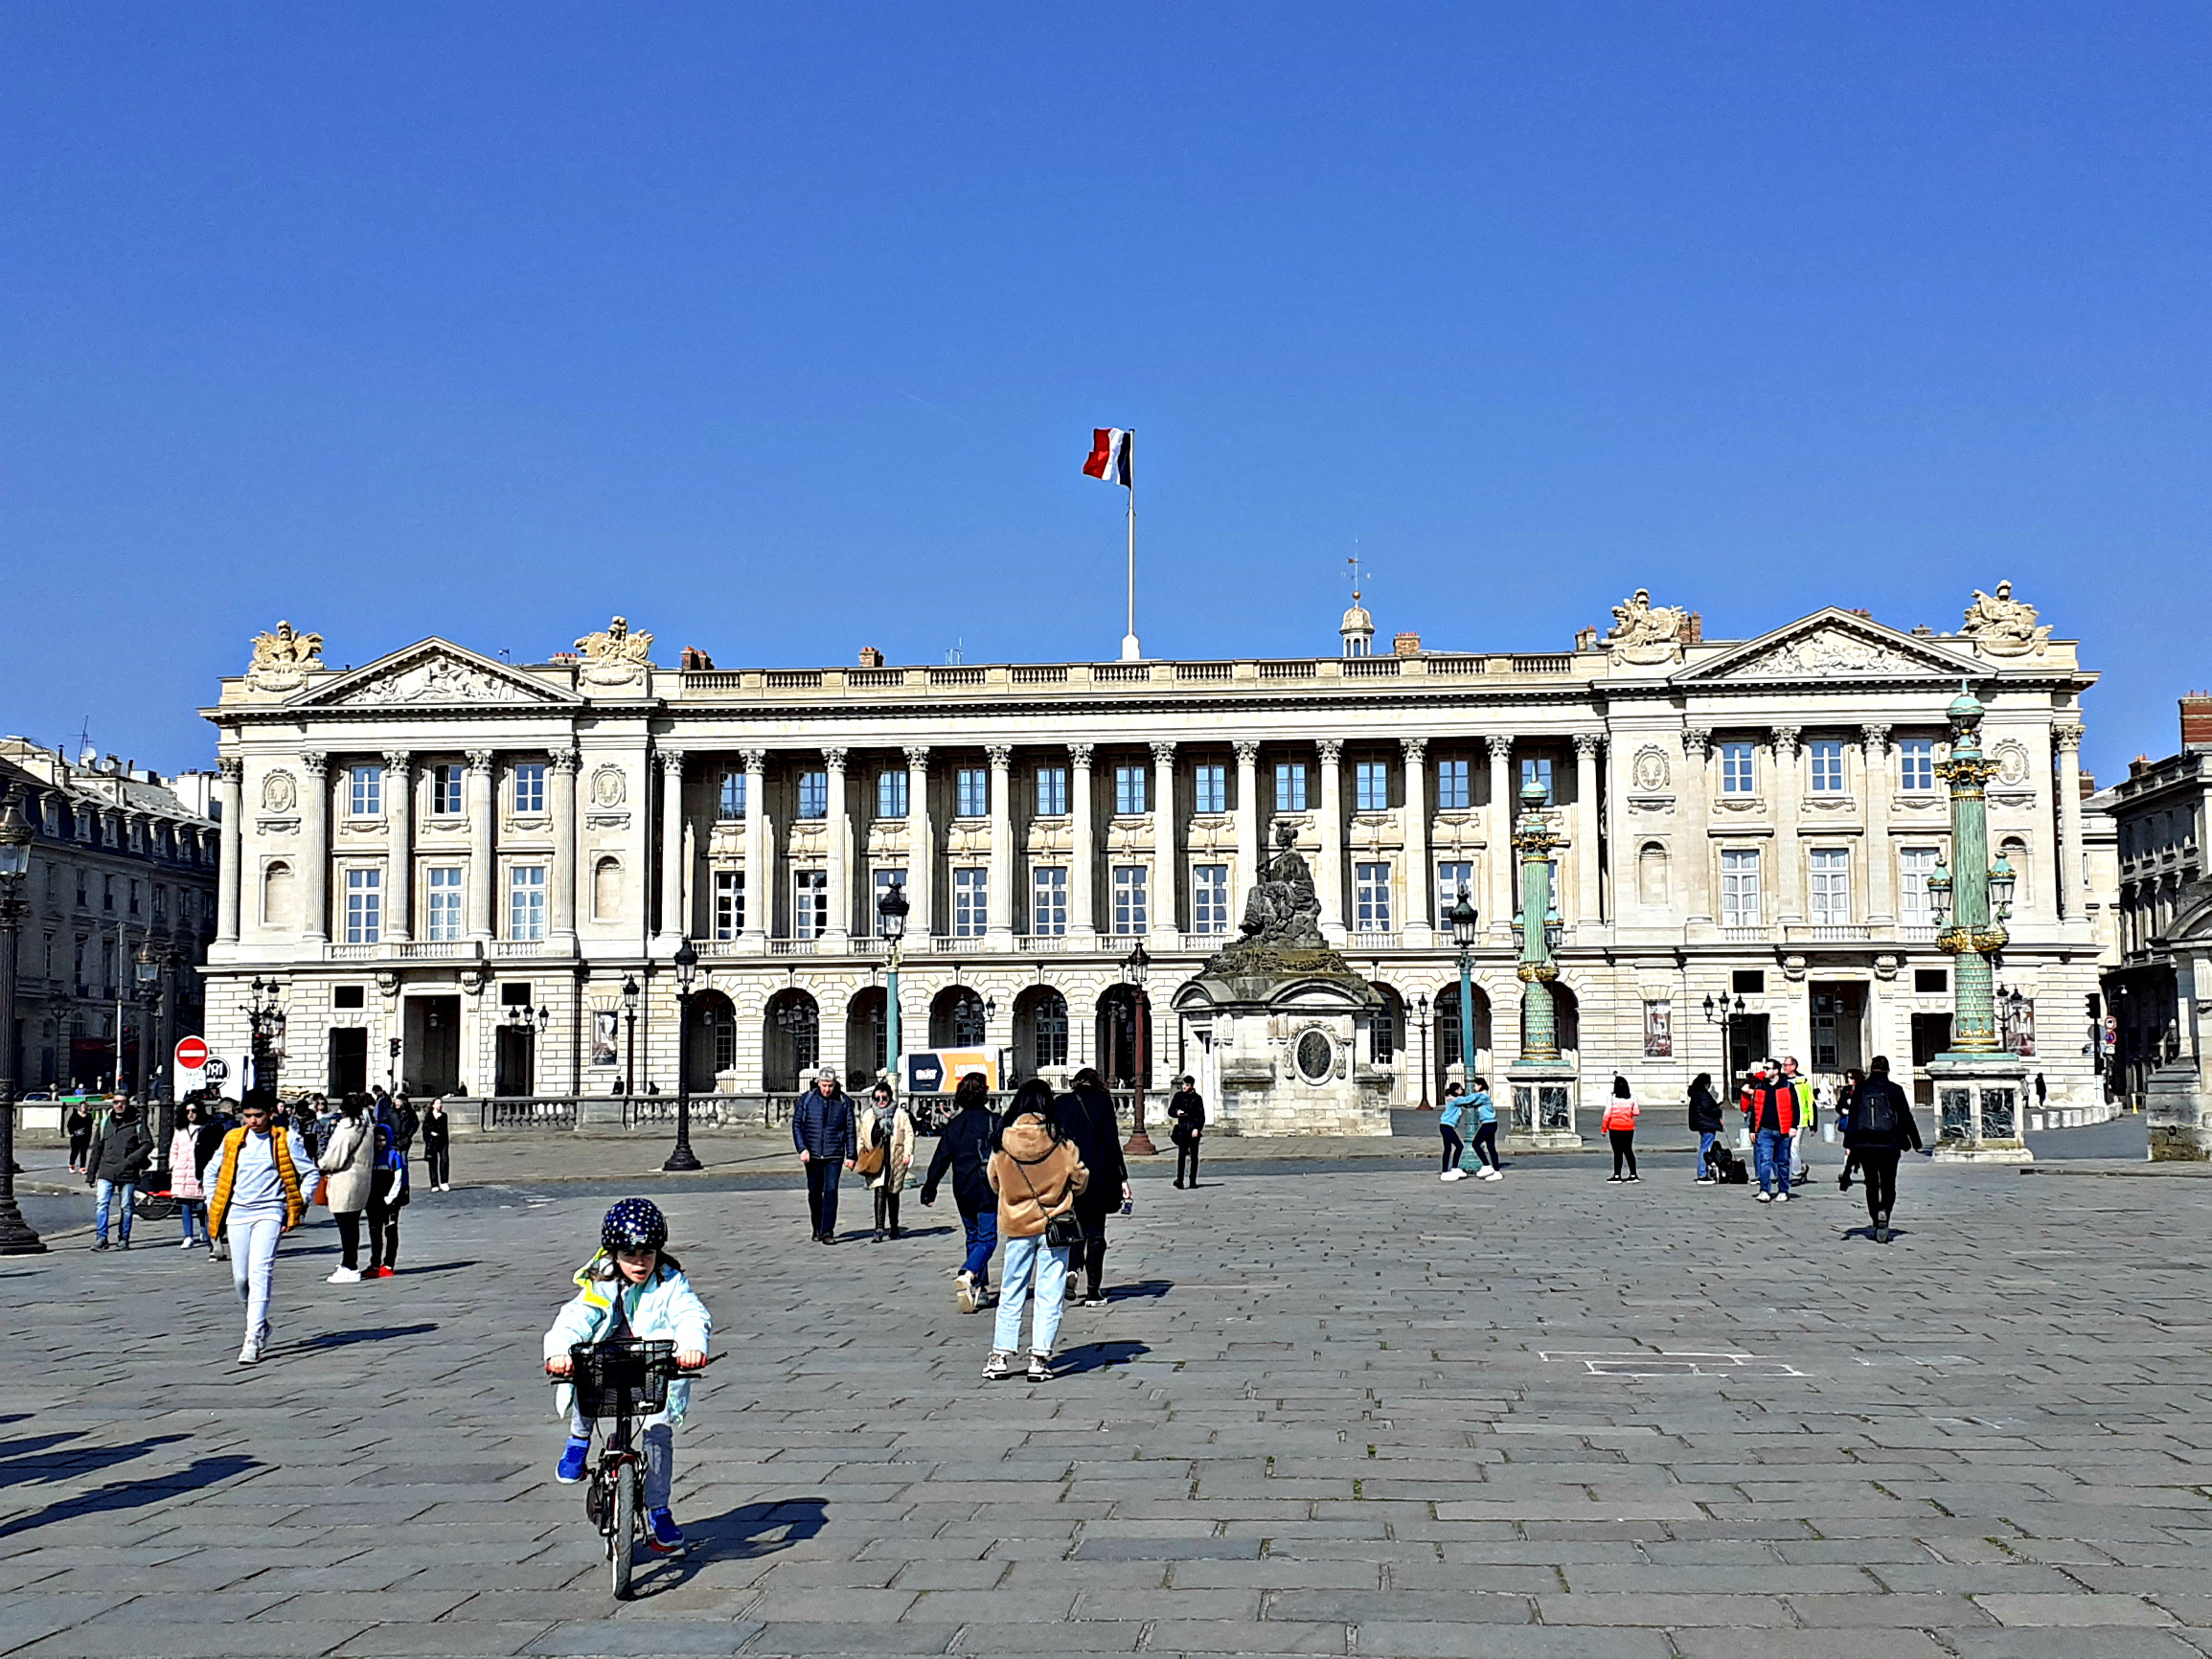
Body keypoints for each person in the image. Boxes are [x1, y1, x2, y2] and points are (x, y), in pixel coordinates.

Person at [544, 1198, 712, 1557]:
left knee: (658, 1432)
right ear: (613, 1253)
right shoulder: (600, 1280)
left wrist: (691, 1346)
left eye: (648, 1253)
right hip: (605, 1356)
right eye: (630, 1254)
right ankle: (578, 1440)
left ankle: (659, 1509)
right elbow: (573, 1318)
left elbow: (690, 1314)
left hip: (650, 1363)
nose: (640, 1262)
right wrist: (559, 1352)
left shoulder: (669, 1282)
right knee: (588, 1382)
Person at [985, 1079, 1088, 1382]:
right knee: (1050, 1291)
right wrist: (1059, 1191)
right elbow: (1080, 1180)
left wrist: (1014, 1195)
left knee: (1012, 1289)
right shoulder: (1062, 1141)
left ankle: (999, 1355)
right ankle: (1039, 1358)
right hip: (1055, 1224)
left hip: (1018, 1223)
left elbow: (993, 1180)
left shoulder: (1002, 1140)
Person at [205, 1098, 311, 1363]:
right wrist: (212, 1202)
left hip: (271, 1212)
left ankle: (252, 1337)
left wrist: (297, 1204)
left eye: (258, 1115)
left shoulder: (285, 1139)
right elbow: (211, 1171)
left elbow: (310, 1173)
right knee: (241, 1279)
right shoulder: (233, 1139)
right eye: (247, 1115)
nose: (252, 1121)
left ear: (270, 1114)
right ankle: (261, 1322)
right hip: (238, 1213)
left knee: (260, 1272)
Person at [921, 1072, 999, 1312]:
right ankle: (968, 1274)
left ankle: (980, 1289)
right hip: (987, 1187)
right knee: (988, 1238)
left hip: (963, 1187)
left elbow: (941, 1158)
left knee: (973, 1236)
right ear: (984, 1093)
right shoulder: (994, 1121)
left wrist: (929, 1187)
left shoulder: (954, 1125)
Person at [1053, 1068, 1130, 1308]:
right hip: (1097, 1175)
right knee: (1096, 1234)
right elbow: (1111, 1142)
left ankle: (1072, 1268)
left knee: (1073, 1227)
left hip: (1068, 1176)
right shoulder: (1102, 1102)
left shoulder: (1061, 1103)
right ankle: (1093, 1291)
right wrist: (1122, 1177)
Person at [1842, 1055, 1924, 1243]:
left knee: (1871, 1183)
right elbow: (1905, 1117)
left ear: (1871, 1069)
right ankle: (1884, 1211)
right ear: (1888, 1070)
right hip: (1889, 1143)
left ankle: (1876, 1218)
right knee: (1888, 1182)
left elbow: (1853, 1118)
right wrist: (1916, 1142)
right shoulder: (1894, 1089)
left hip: (1865, 1143)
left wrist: (1849, 1143)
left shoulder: (1861, 1089)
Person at [316, 1094, 378, 1284]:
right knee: (352, 1223)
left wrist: (321, 1163)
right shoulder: (366, 1127)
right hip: (361, 1178)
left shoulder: (348, 1128)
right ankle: (349, 1263)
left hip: (346, 1178)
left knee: (346, 1224)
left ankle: (349, 1265)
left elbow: (336, 1156)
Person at [791, 1065, 855, 1243]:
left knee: (831, 1191)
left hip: (834, 1153)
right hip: (812, 1154)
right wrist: (801, 1148)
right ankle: (817, 1227)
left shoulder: (843, 1102)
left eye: (830, 1086)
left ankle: (828, 1231)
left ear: (835, 1084)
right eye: (824, 1085)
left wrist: (851, 1155)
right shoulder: (807, 1100)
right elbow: (797, 1124)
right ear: (818, 1083)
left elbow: (850, 1130)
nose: (827, 1089)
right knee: (814, 1192)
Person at [85, 1100, 152, 1251]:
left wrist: (132, 1160)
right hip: (106, 1169)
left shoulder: (137, 1122)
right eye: (116, 1102)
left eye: (122, 1102)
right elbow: (97, 1148)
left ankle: (123, 1238)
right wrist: (91, 1174)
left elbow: (148, 1144)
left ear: (127, 1104)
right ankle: (101, 1237)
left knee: (126, 1206)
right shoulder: (105, 1123)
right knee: (102, 1204)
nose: (119, 1105)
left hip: (128, 1171)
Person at [857, 1080, 915, 1242]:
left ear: (890, 1097)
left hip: (894, 1157)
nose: (881, 1101)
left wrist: (907, 1153)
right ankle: (879, 1227)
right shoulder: (869, 1114)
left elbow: (909, 1134)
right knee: (879, 1191)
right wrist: (859, 1152)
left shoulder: (899, 1114)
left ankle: (895, 1226)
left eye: (884, 1097)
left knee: (893, 1192)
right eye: (878, 1098)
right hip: (877, 1157)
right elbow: (862, 1135)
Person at [1741, 1060, 1798, 1204]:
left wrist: (1794, 1126)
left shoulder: (1788, 1087)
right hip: (1764, 1130)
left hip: (1783, 1130)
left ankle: (1783, 1190)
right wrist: (1752, 1129)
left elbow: (1795, 1108)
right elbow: (1755, 1109)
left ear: (1776, 1071)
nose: (1765, 1071)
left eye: (1768, 1068)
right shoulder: (1761, 1087)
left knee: (1782, 1162)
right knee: (1764, 1160)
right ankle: (1764, 1190)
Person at [366, 1119, 410, 1278]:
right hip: (373, 1200)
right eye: (376, 1140)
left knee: (390, 1231)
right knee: (374, 1232)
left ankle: (389, 1263)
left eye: (382, 1140)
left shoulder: (393, 1156)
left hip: (390, 1200)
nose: (379, 1144)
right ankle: (375, 1263)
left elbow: (398, 1178)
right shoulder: (370, 1156)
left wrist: (391, 1197)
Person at [171, 1102, 211, 1249]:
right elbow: (174, 1149)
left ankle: (203, 1228)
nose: (191, 1114)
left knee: (201, 1205)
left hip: (198, 1171)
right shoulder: (180, 1130)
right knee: (185, 1205)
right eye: (187, 1111)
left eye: (194, 1110)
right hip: (181, 1171)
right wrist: (173, 1166)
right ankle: (188, 1236)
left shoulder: (205, 1129)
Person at [1166, 1075, 1207, 1189]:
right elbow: (1170, 1111)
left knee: (1194, 1157)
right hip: (1182, 1129)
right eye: (1183, 1084)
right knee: (1182, 1155)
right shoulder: (1178, 1096)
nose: (1184, 1087)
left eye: (1187, 1085)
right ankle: (1180, 1180)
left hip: (1193, 1129)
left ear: (1191, 1086)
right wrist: (1177, 1113)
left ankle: (1192, 1180)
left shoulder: (1197, 1098)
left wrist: (1197, 1129)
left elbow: (1201, 1116)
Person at [1782, 1057, 1815, 1184]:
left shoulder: (1803, 1082)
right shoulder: (1781, 1081)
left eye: (1787, 1065)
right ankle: (1800, 1167)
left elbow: (1810, 1102)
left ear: (1794, 1067)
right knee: (1785, 1148)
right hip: (1785, 1118)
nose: (1784, 1067)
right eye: (1783, 1065)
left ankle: (1795, 1174)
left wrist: (1813, 1124)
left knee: (1794, 1147)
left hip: (1800, 1119)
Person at [1601, 1076, 1640, 1181]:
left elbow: (1607, 1115)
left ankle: (1617, 1175)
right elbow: (1636, 1112)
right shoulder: (1632, 1098)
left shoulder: (1612, 1098)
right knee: (1628, 1151)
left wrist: (1604, 1129)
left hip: (1615, 1127)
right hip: (1628, 1127)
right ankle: (1633, 1175)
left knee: (1617, 1152)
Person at [1687, 1072, 1723, 1184]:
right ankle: (1702, 1174)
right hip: (1707, 1123)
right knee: (1706, 1148)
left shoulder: (1696, 1093)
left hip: (1701, 1123)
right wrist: (1718, 1110)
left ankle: (1704, 1172)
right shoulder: (1703, 1094)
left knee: (1705, 1146)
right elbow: (1707, 1109)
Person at [1465, 1077, 1501, 1179]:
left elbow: (1470, 1101)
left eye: (1475, 1085)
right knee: (1491, 1148)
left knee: (1475, 1144)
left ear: (1480, 1086)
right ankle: (1496, 1171)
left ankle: (1487, 1166)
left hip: (1488, 1124)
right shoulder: (1483, 1096)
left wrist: (1457, 1100)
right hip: (1491, 1123)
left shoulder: (1482, 1096)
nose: (1474, 1087)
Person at [1436, 1080, 1469, 1182]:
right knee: (1449, 1149)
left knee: (1458, 1146)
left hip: (1447, 1126)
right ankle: (1445, 1172)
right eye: (1460, 1089)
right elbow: (1468, 1101)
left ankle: (1454, 1168)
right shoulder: (1455, 1100)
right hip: (1446, 1126)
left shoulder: (1454, 1099)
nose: (1461, 1090)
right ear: (1456, 1090)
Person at [421, 1098, 451, 1192]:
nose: (440, 1105)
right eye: (437, 1103)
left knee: (444, 1160)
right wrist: (431, 1133)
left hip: (442, 1140)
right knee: (433, 1162)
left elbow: (444, 1129)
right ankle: (434, 1183)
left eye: (440, 1103)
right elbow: (425, 1128)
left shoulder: (444, 1116)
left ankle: (444, 1182)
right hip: (432, 1141)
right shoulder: (428, 1116)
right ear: (433, 1105)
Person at [65, 1100, 93, 1174]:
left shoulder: (89, 1116)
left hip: (85, 1137)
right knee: (74, 1152)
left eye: (85, 1107)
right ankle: (72, 1164)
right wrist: (71, 1132)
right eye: (82, 1107)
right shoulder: (75, 1115)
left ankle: (82, 1167)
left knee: (83, 1152)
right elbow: (69, 1125)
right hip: (75, 1136)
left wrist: (89, 1137)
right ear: (80, 1107)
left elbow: (90, 1127)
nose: (84, 1108)